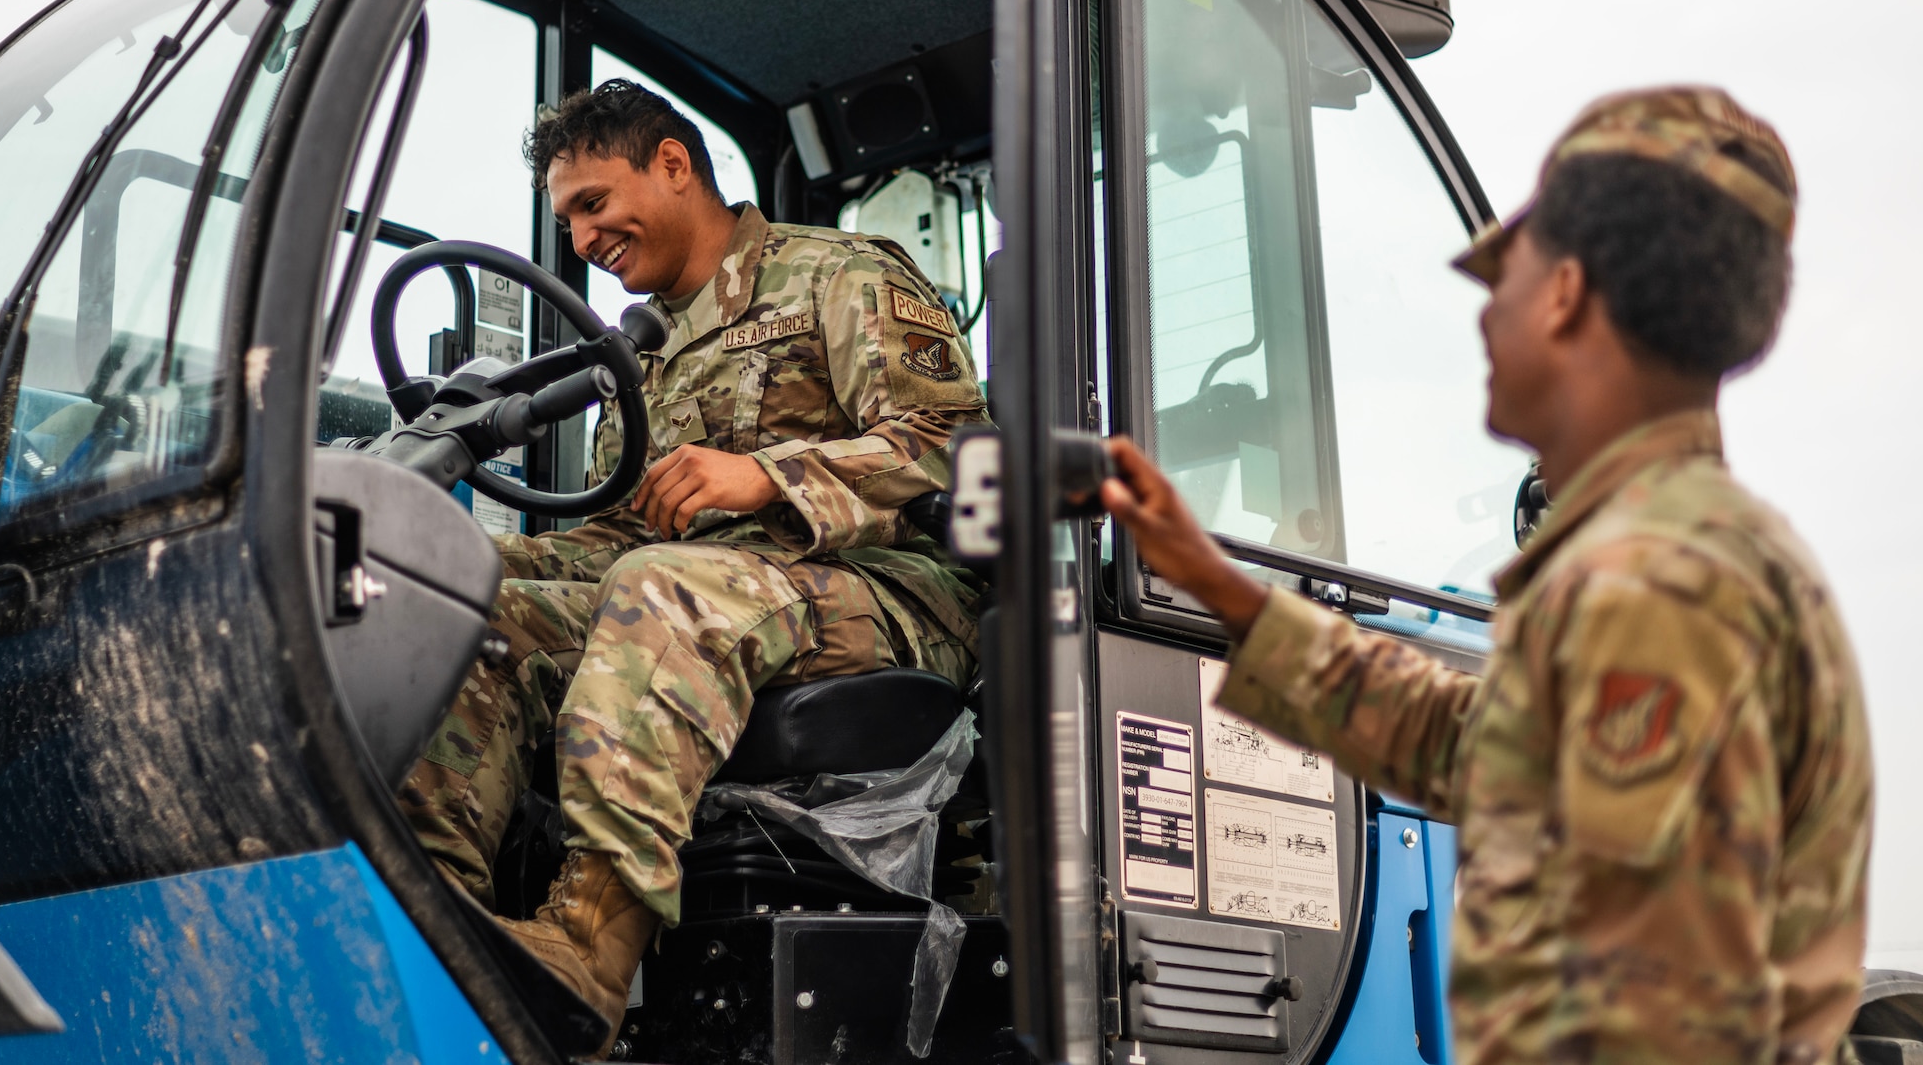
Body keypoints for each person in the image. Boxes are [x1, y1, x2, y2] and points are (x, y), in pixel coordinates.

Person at [1101, 86, 1872, 1065]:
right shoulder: (1662, 561)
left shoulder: (1660, 586)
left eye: (1500, 279)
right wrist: (1217, 581)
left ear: (1563, 296)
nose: (1483, 320)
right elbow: (1466, 746)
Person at [398, 80, 987, 1045]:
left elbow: (949, 437)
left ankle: (586, 948)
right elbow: (628, 531)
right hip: (695, 591)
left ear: (673, 164)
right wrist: (487, 561)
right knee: (469, 602)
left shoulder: (836, 274)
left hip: (882, 594)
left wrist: (763, 476)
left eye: (595, 204)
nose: (584, 241)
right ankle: (436, 924)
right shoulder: (642, 357)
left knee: (659, 587)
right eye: (569, 220)